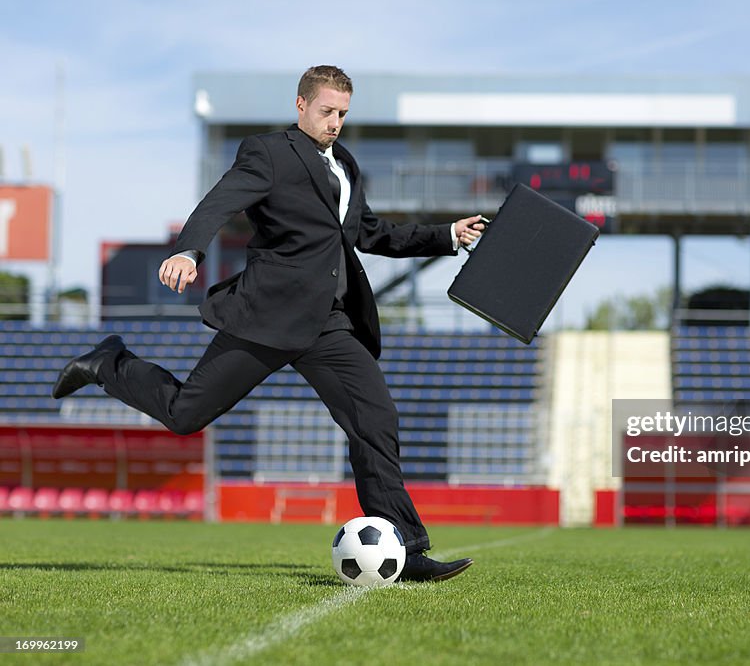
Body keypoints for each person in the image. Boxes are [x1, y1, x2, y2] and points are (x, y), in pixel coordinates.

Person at [52, 65, 485, 583]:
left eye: (343, 113)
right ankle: (109, 363)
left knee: (376, 420)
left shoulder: (345, 164)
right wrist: (190, 249)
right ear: (300, 105)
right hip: (266, 317)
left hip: (329, 324)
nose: (335, 122)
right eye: (326, 111)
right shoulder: (269, 152)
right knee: (187, 414)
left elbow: (369, 233)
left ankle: (406, 549)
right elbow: (221, 200)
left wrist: (446, 234)